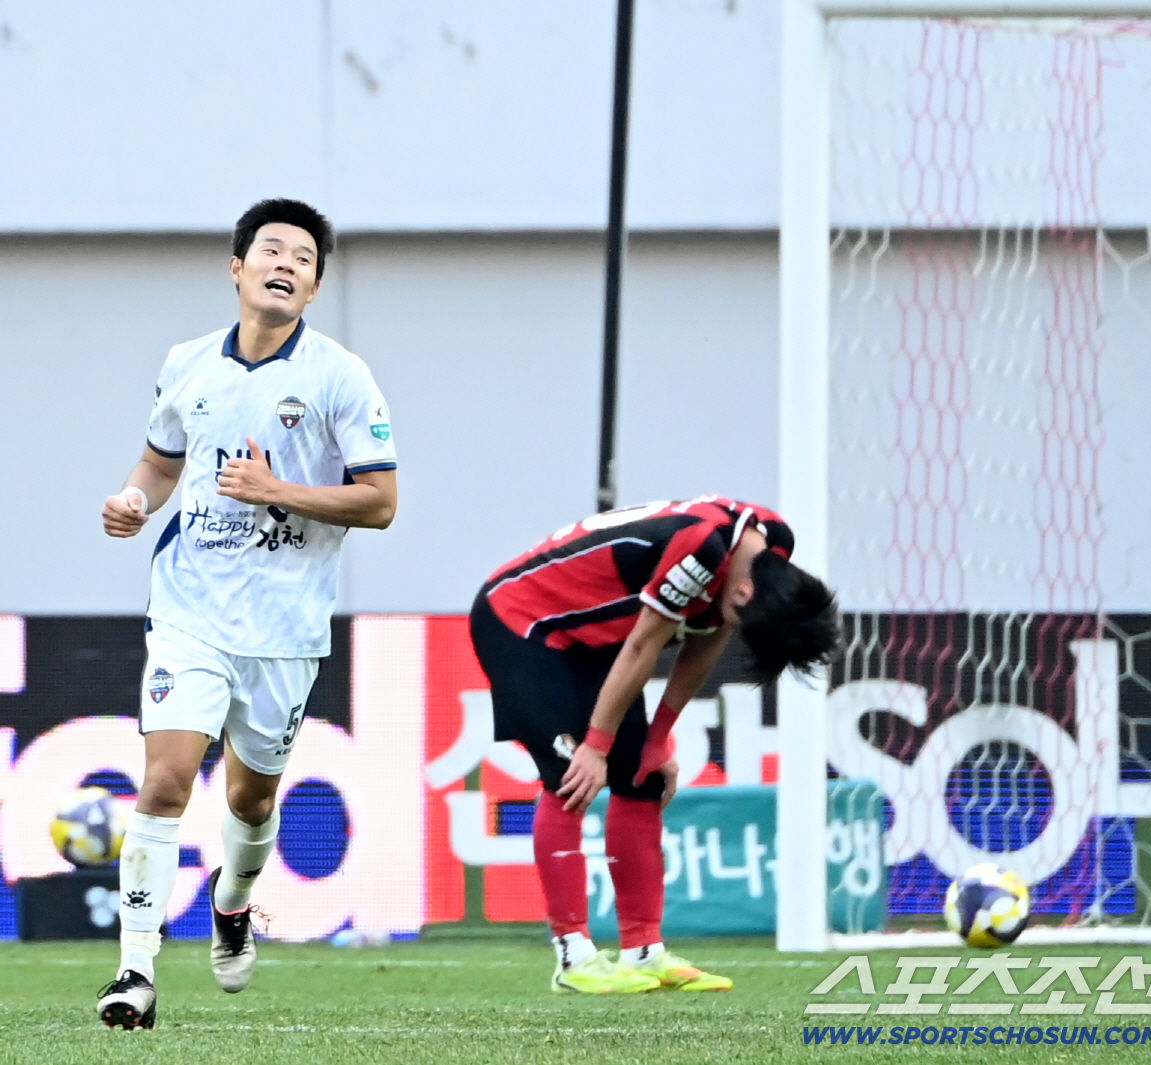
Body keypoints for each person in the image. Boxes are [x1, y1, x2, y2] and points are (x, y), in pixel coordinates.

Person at [96, 199, 397, 1029]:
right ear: (237, 268)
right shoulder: (187, 364)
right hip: (189, 609)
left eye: (304, 257)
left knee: (255, 800)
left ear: (315, 284)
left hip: (285, 629)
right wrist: (132, 501)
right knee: (162, 778)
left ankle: (232, 903)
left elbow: (381, 502)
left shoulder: (341, 376)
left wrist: (277, 491)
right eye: (272, 249)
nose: (286, 263)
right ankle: (134, 969)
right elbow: (159, 464)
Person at [470, 495, 840, 993]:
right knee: (570, 778)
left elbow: (706, 636)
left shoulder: (772, 546)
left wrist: (658, 738)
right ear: (748, 588)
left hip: (596, 641)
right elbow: (646, 644)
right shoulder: (702, 549)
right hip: (522, 620)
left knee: (640, 780)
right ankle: (573, 958)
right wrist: (596, 746)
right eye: (741, 614)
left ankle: (644, 951)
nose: (737, 625)